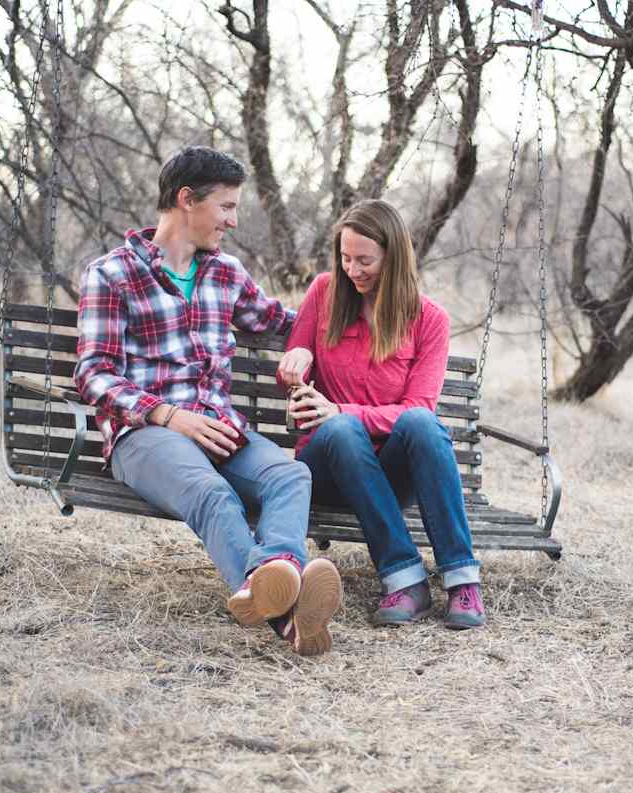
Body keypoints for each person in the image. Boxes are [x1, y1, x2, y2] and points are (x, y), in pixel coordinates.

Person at [75, 146, 342, 656]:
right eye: (226, 206)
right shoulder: (112, 274)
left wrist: (307, 340)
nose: (233, 220)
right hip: (146, 433)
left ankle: (276, 583)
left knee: (290, 474)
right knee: (212, 493)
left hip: (220, 429)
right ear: (186, 201)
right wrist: (171, 416)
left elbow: (284, 323)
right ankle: (287, 605)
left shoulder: (225, 273)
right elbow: (93, 373)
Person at [277, 199, 485, 630]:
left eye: (364, 260)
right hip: (329, 466)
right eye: (345, 258)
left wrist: (342, 409)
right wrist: (295, 359)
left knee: (421, 424)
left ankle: (462, 581)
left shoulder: (429, 319)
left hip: (390, 473)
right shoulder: (324, 292)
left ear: (393, 256)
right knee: (339, 428)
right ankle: (405, 579)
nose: (352, 270)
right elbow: (295, 384)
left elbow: (417, 409)